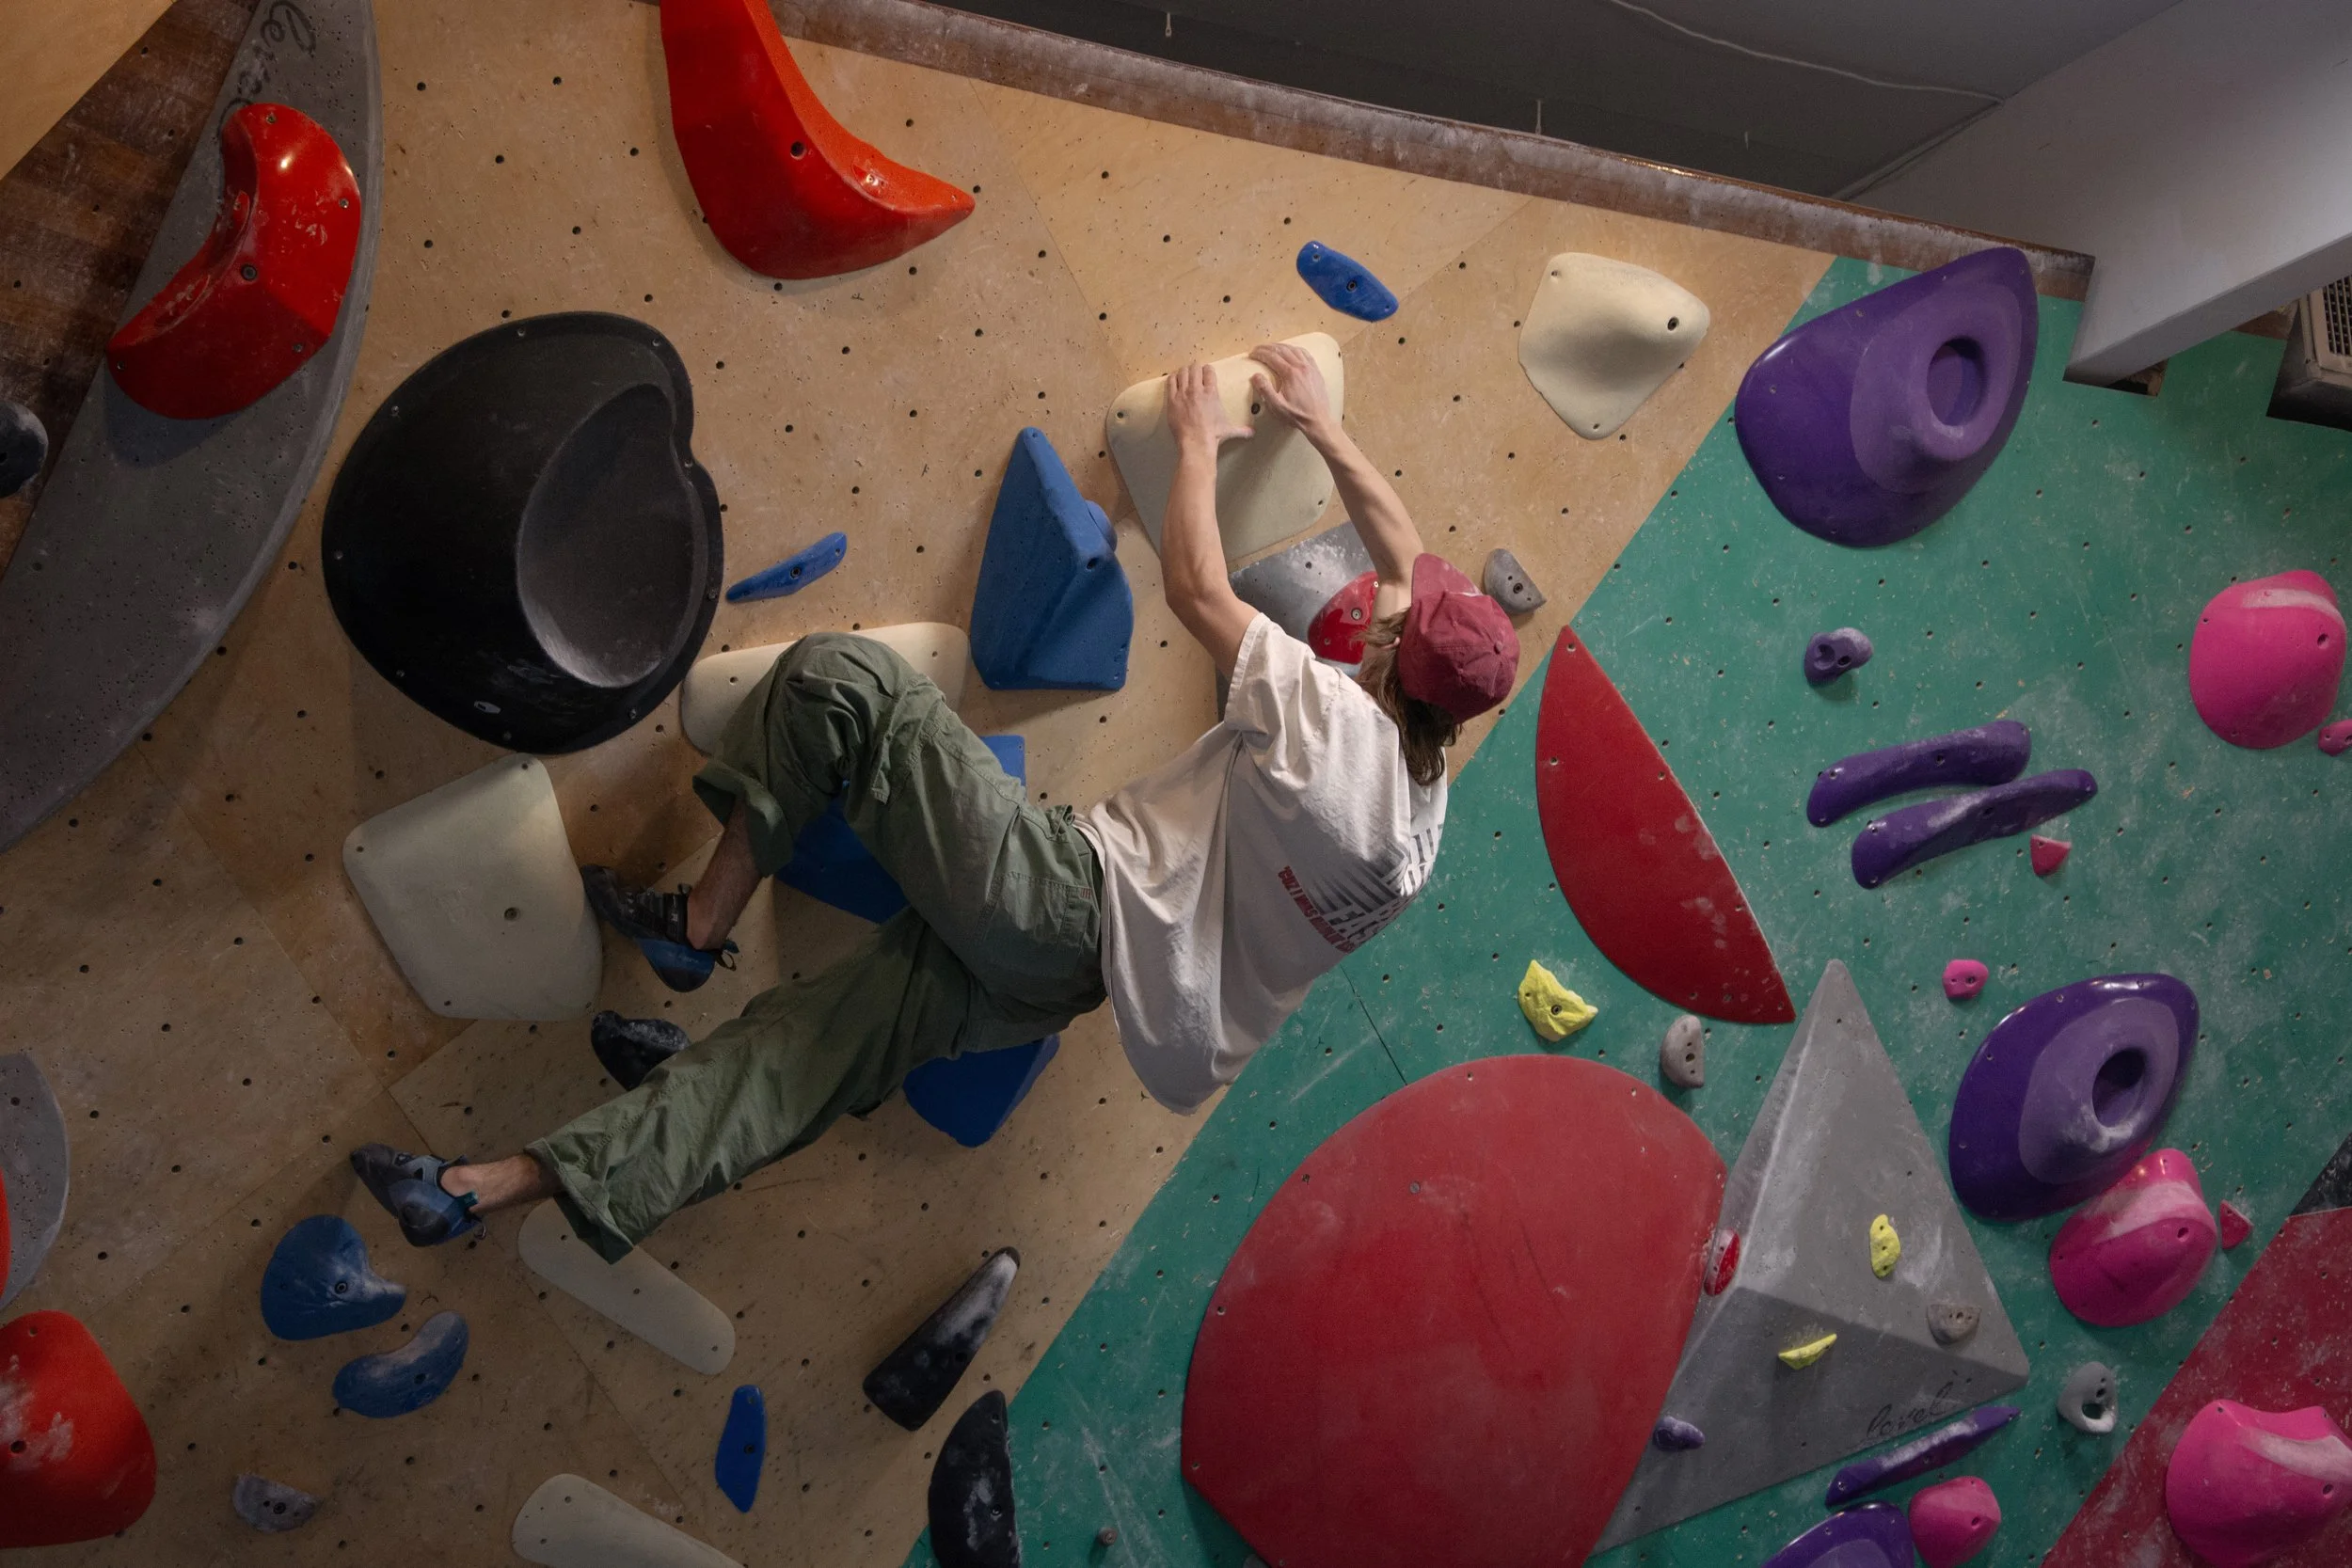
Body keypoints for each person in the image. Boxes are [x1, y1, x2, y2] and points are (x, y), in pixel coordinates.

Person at [351, 342, 1518, 1258]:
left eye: (1393, 617)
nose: (1385, 600)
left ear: (1385, 657)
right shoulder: (1418, 820)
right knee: (791, 1062)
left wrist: (1198, 437)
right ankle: (483, 1188)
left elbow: (1195, 584)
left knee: (841, 678)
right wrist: (1321, 422)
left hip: (1059, 900)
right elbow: (1410, 562)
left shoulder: (1332, 729)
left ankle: (700, 922)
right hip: (1063, 986)